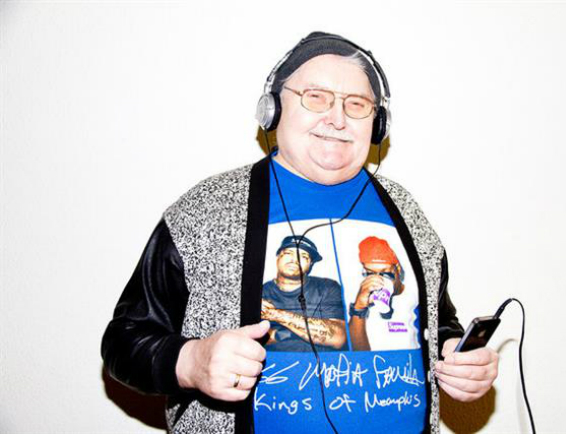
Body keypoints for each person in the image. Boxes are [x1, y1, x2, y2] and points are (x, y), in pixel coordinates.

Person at [101, 31, 499, 434]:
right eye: (316, 97)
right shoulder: (204, 211)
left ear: (377, 124)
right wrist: (190, 362)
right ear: (272, 110)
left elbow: (438, 319)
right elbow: (124, 340)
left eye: (356, 104)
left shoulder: (407, 211)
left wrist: (457, 355)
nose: (338, 118)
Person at [261, 235, 346, 351]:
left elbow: (337, 338)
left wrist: (273, 314)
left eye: (304, 256)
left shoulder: (327, 287)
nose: (294, 260)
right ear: (278, 257)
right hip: (276, 361)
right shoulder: (260, 293)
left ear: (310, 264)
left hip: (321, 362)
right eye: (288, 253)